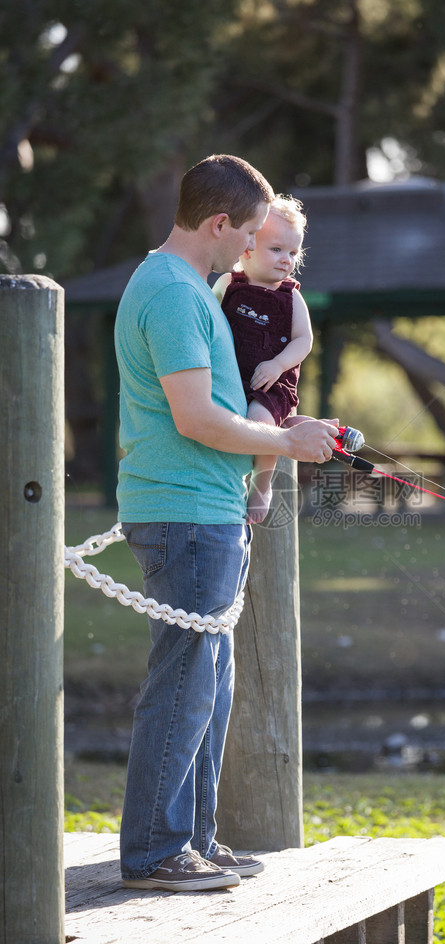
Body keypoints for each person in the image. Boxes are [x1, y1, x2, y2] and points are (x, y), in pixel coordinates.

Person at [114, 154, 338, 892]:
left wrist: (282, 427)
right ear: (219, 225)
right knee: (183, 686)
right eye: (247, 232)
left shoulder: (191, 289)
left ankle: (193, 841)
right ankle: (154, 851)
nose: (253, 246)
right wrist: (285, 443)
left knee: (208, 687)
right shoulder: (176, 295)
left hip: (208, 510)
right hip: (183, 510)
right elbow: (196, 417)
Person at [212, 195, 312, 522]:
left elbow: (304, 341)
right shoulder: (229, 284)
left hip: (271, 385)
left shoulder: (291, 297)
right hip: (231, 375)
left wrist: (278, 365)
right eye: (277, 249)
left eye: (293, 253)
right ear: (247, 247)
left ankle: (261, 484)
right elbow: (209, 320)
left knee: (259, 421)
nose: (287, 259)